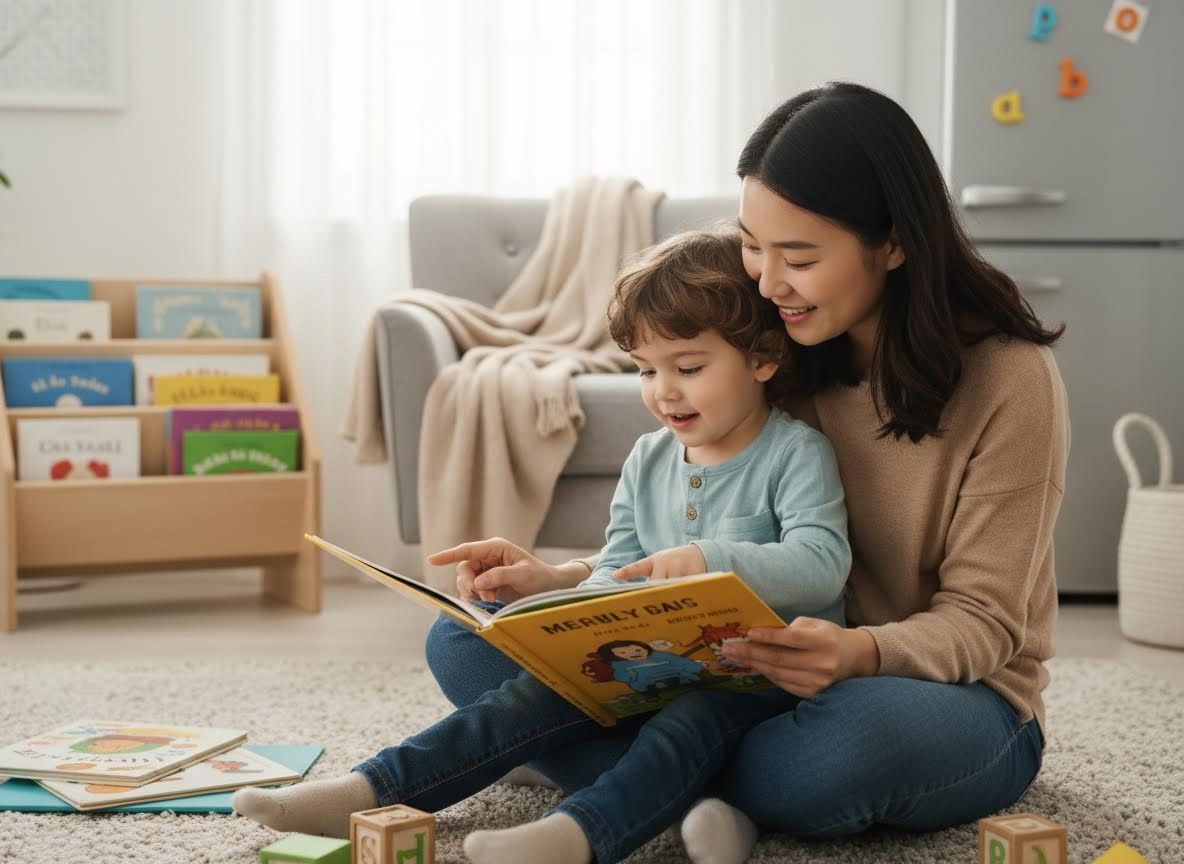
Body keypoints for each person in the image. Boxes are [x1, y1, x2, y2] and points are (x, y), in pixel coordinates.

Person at [424, 81, 1068, 864]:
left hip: (940, 690)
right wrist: (561, 580)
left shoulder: (1010, 380)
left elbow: (988, 624)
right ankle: (692, 787)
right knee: (466, 644)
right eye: (753, 247)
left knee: (827, 759)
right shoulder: (782, 351)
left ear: (893, 242)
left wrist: (856, 653)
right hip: (744, 680)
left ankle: (625, 774)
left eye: (798, 257)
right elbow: (690, 542)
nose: (766, 283)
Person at [232, 228, 852, 864]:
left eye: (688, 368)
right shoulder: (646, 458)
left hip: (760, 680)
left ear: (762, 358)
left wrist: (705, 561)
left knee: (689, 723)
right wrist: (556, 592)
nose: (663, 391)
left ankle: (583, 834)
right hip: (645, 664)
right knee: (525, 695)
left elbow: (823, 566)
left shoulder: (795, 452)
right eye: (645, 370)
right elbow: (616, 566)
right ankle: (373, 787)